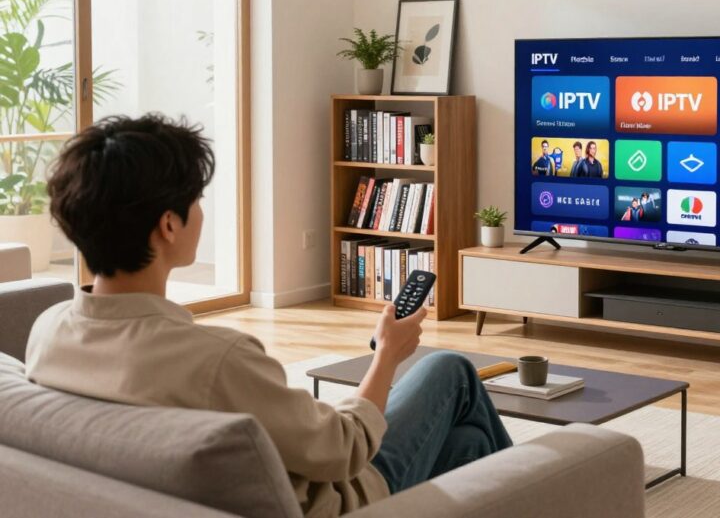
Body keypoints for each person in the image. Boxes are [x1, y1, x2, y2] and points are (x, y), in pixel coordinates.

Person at [26, 114, 512, 517]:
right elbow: (345, 448)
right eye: (196, 200)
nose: (201, 212)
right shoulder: (217, 361)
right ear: (168, 225)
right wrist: (387, 355)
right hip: (344, 502)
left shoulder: (48, 333)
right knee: (449, 370)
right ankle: (546, 484)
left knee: (467, 445)